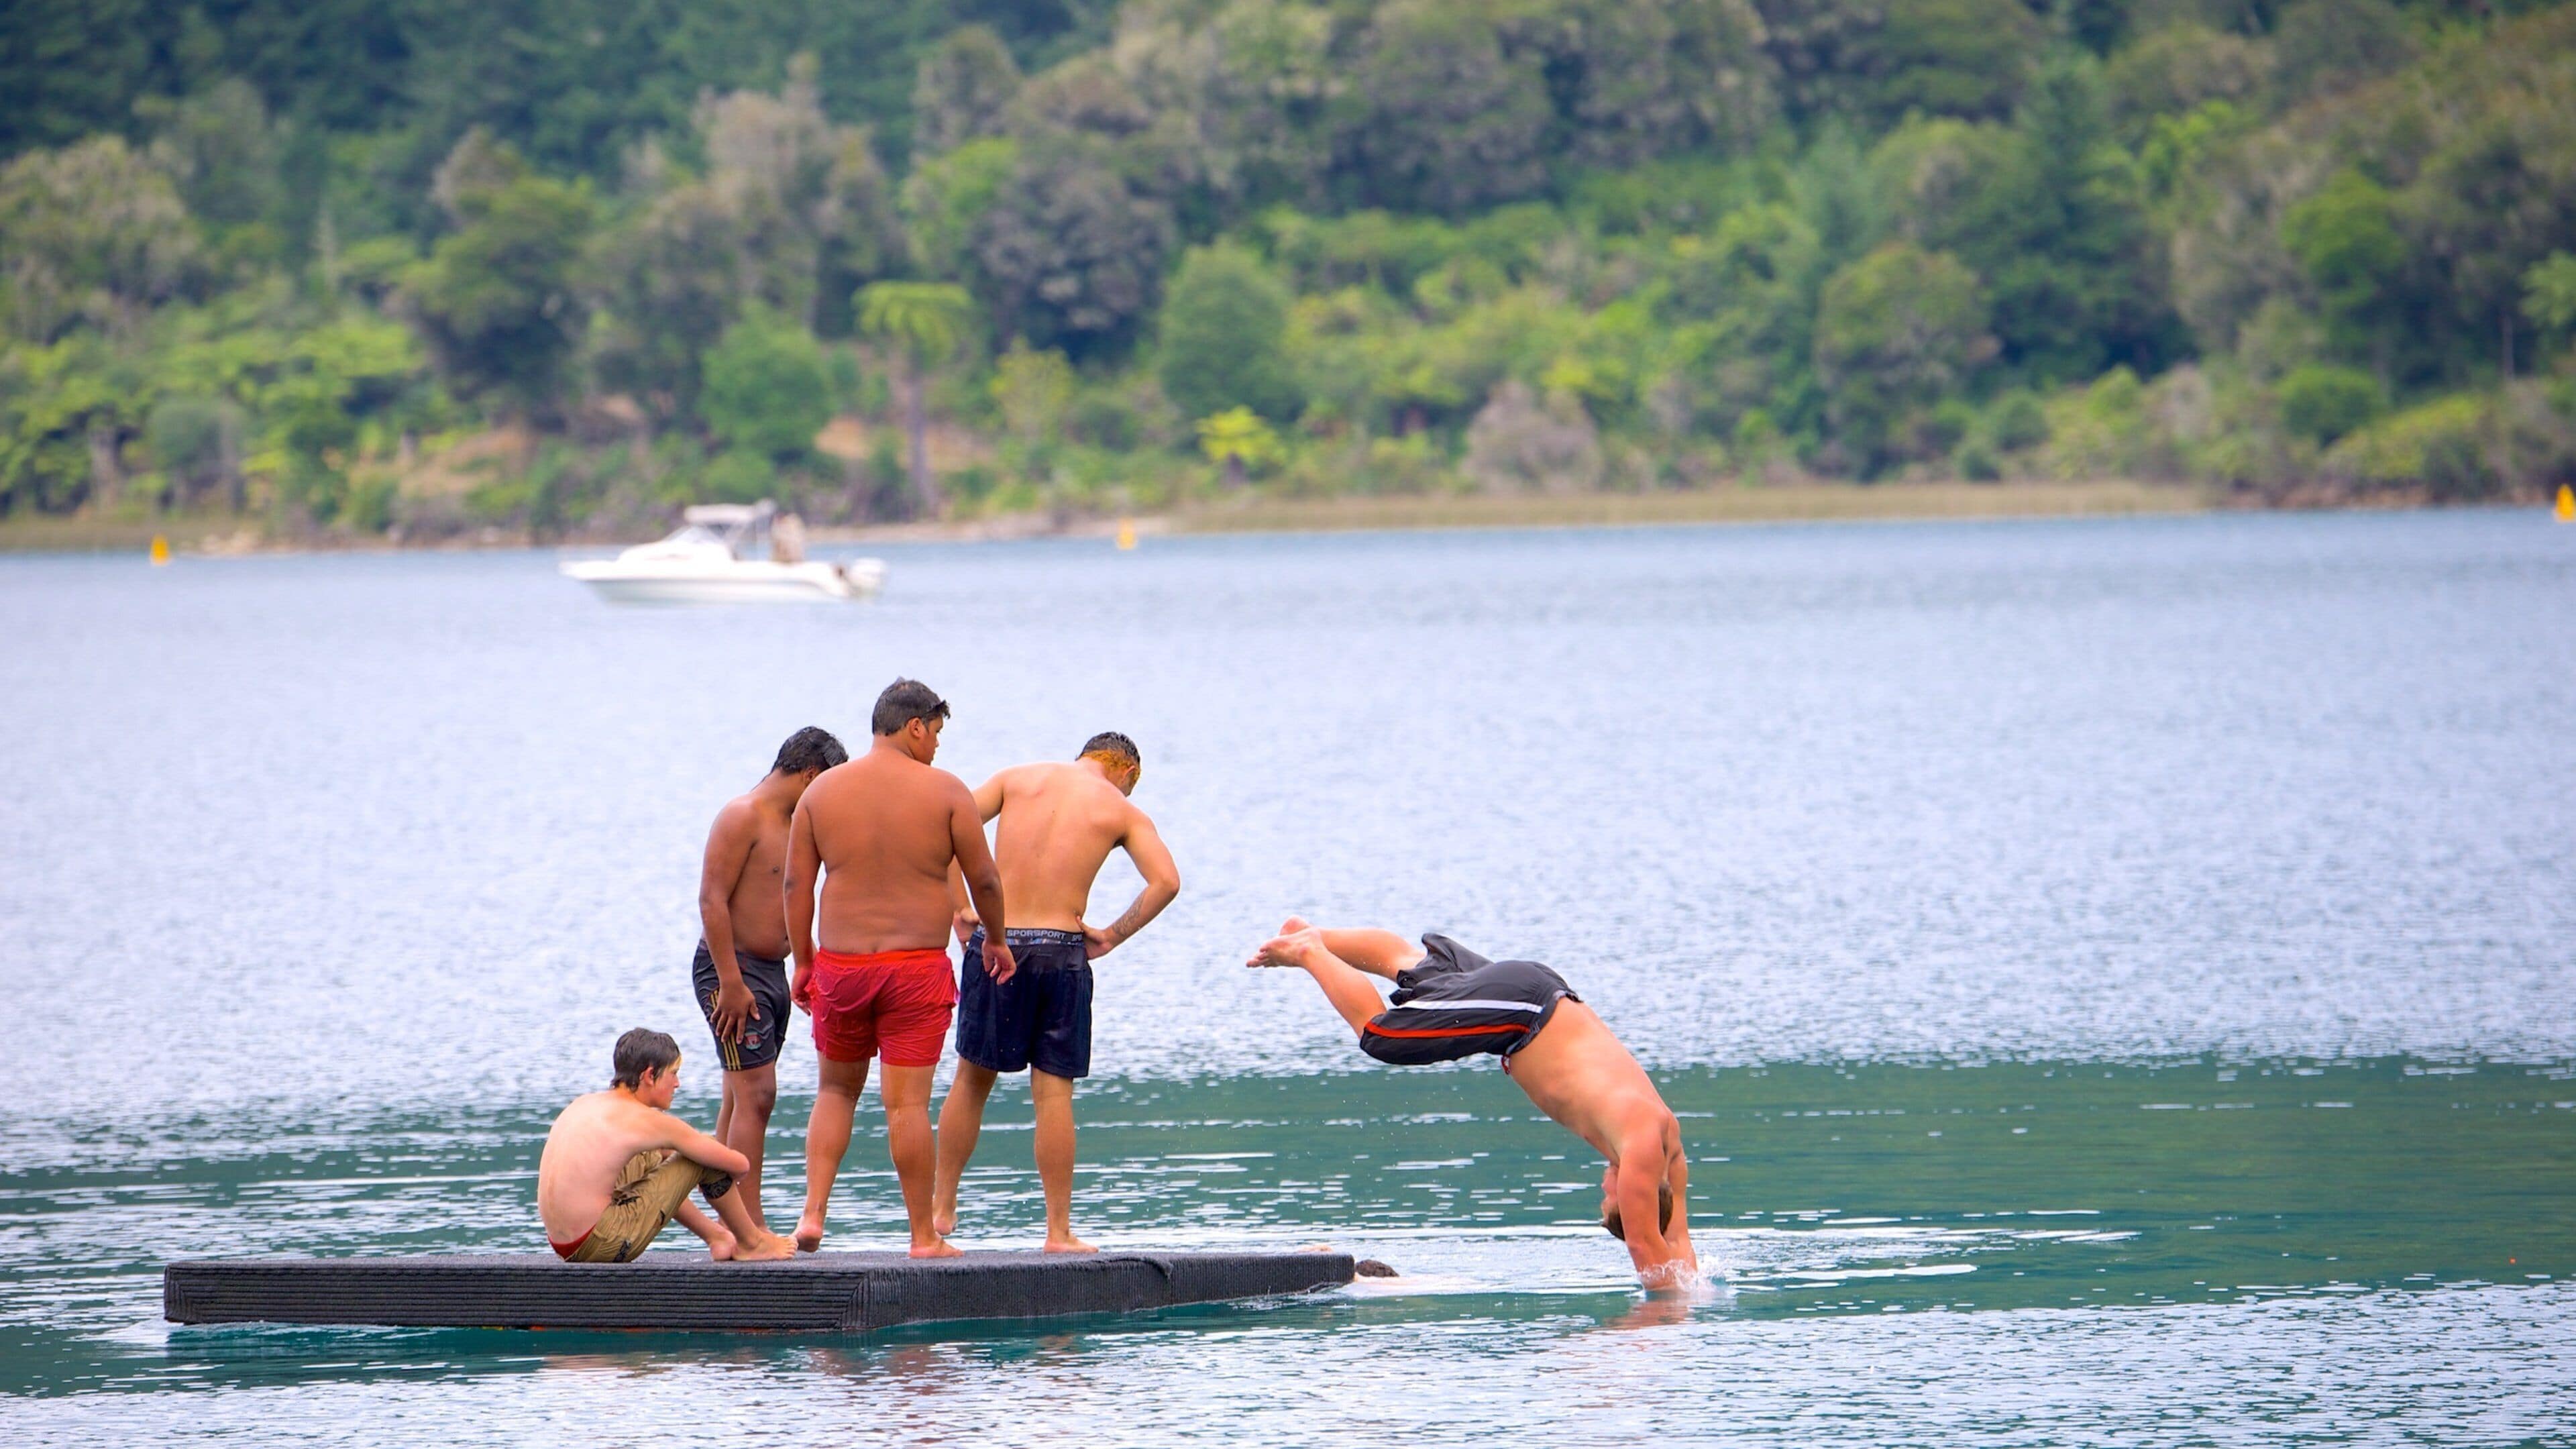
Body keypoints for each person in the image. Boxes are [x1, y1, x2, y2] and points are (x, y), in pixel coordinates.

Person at [1246, 920, 1699, 1289]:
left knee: (1417, 968)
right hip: (1522, 1015)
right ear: (1635, 1194)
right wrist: (1659, 1328)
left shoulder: (1666, 1148)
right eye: (1610, 1199)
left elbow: (1676, 1241)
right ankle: (1310, 951)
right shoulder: (1641, 1149)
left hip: (1534, 998)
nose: (1604, 1188)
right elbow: (1645, 1247)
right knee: (1382, 1035)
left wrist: (1692, 1290)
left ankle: (1311, 934)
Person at [786, 678, 1013, 1257]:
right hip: (914, 969)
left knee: (835, 1091)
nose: (936, 746)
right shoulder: (947, 791)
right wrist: (996, 939)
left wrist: (805, 962)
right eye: (935, 733)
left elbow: (795, 887)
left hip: (842, 966)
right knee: (907, 1106)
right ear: (914, 727)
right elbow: (985, 880)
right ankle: (922, 1237)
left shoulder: (821, 793)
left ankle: (812, 1214)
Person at [932, 731, 1182, 1252]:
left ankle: (942, 1206)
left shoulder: (1016, 779)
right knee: (1053, 1095)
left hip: (997, 940)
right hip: (1060, 948)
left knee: (971, 1080)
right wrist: (1110, 936)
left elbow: (947, 827)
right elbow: (1166, 882)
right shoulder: (1120, 809)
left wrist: (960, 908)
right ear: (1128, 772)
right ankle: (1057, 1231)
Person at [692, 725, 847, 1230]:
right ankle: (750, 1227)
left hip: (773, 971)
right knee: (758, 1095)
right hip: (731, 969)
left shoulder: (798, 824)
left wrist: (808, 962)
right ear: (811, 775)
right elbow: (712, 900)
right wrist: (731, 982)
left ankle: (726, 1218)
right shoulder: (743, 815)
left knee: (739, 1095)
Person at [537, 1028, 797, 1263]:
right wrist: (700, 1167)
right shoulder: (646, 1120)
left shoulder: (586, 1103)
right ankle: (752, 1243)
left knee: (653, 1154)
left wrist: (674, 1157)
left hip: (563, 1244)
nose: (677, 1084)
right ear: (650, 1075)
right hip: (602, 1243)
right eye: (674, 1073)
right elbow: (740, 1165)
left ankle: (717, 1237)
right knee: (705, 1151)